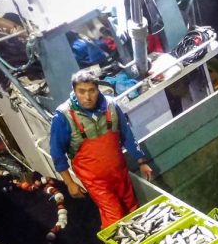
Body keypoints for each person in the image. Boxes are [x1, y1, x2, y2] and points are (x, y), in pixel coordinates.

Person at [50, 69, 153, 229]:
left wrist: (141, 161)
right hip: (95, 180)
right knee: (115, 217)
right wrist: (70, 183)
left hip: (120, 172)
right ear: (74, 91)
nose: (87, 97)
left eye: (92, 90)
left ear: (98, 89)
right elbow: (57, 154)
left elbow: (127, 135)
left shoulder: (111, 105)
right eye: (81, 91)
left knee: (133, 210)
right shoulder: (63, 116)